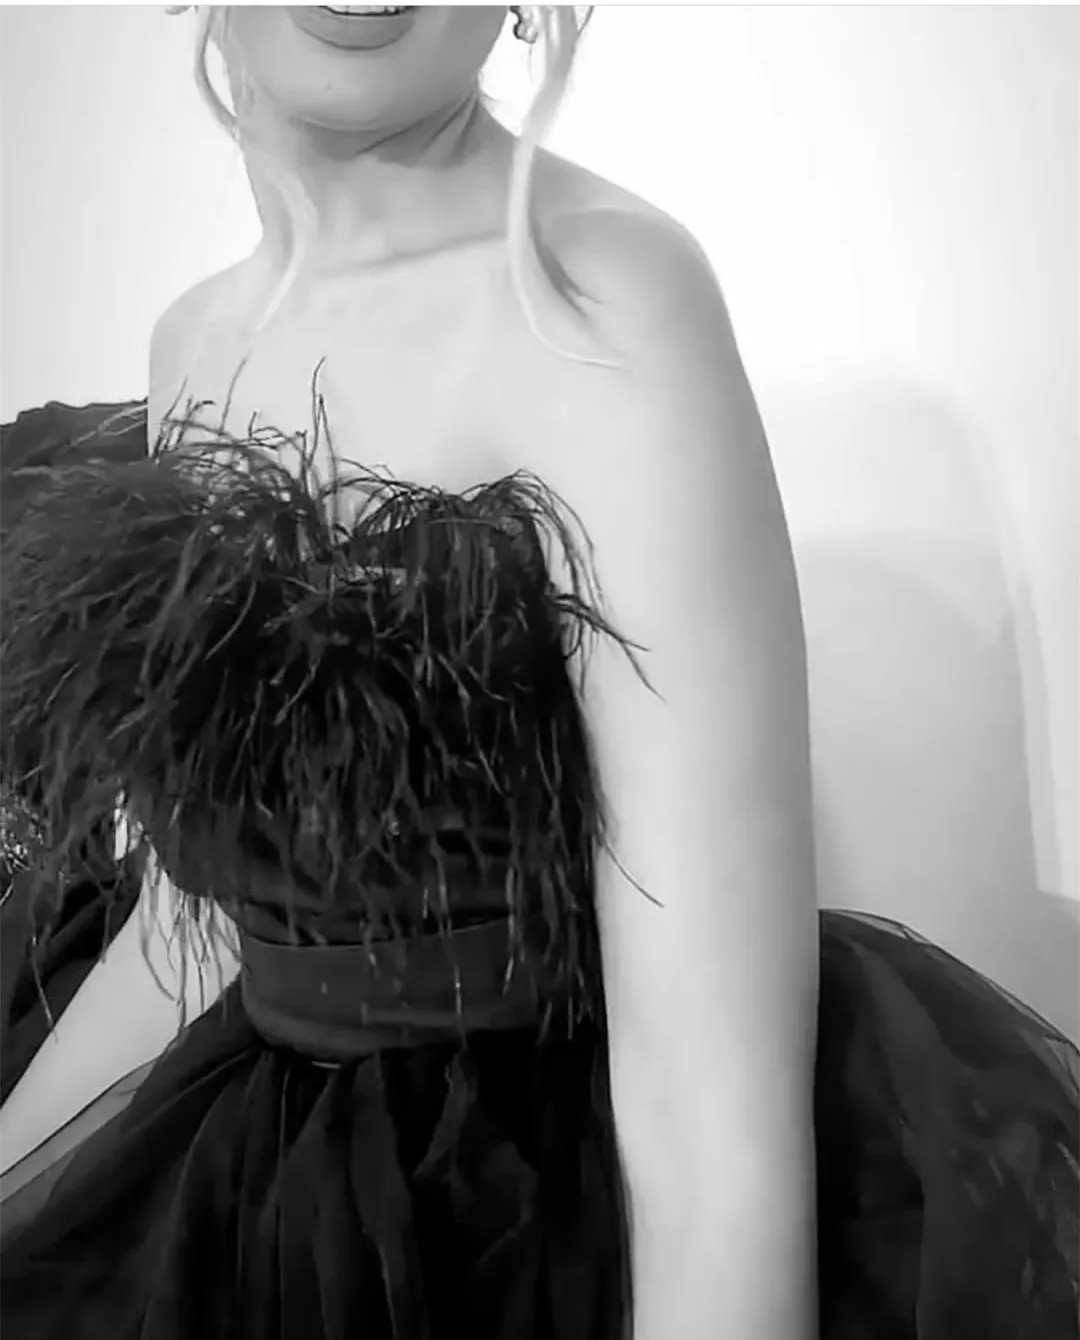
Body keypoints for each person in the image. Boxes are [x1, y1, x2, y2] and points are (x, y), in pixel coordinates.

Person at [0, 8, 1076, 1339]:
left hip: (522, 1227)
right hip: (245, 1192)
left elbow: (706, 1107)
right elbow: (204, 913)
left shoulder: (599, 299)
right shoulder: (192, 343)